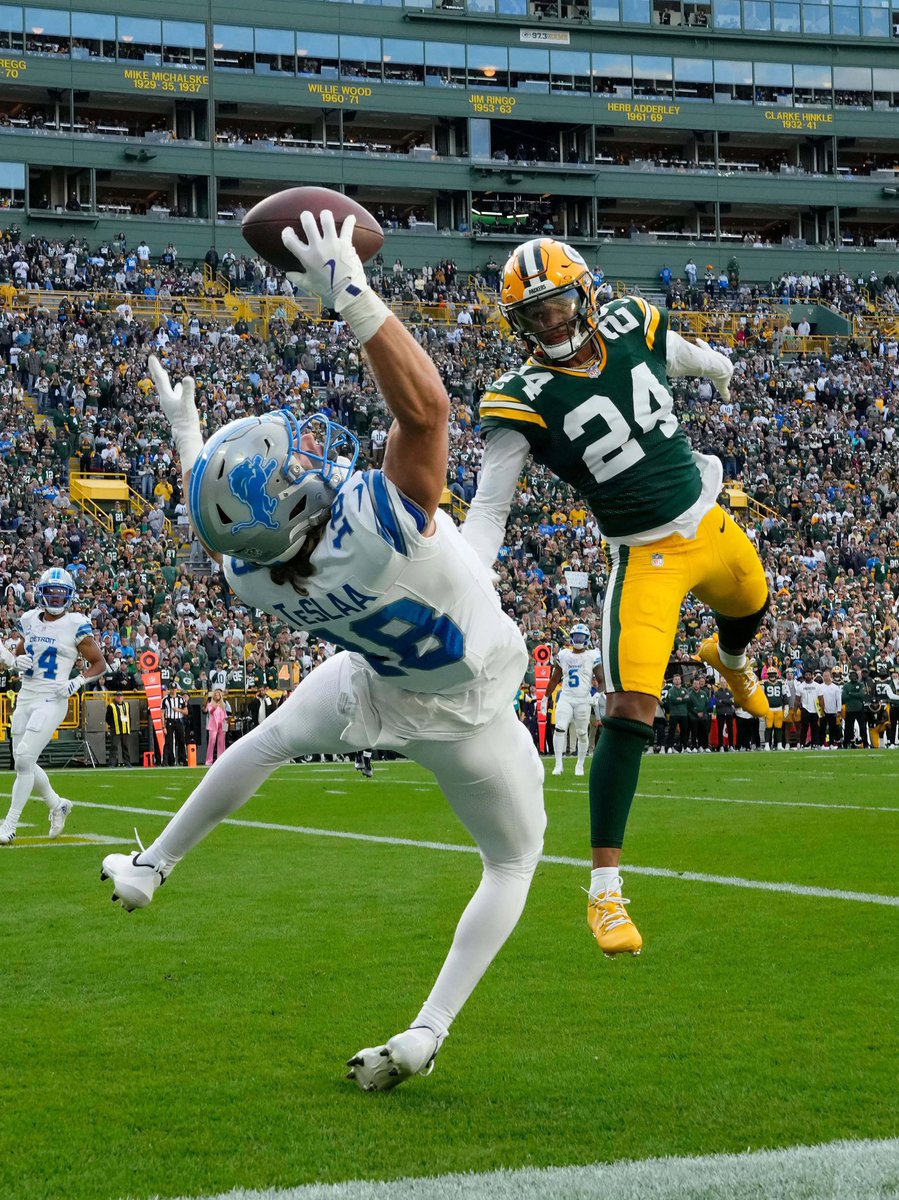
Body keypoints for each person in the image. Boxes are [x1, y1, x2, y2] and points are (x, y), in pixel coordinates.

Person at [100, 209, 546, 1093]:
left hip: (368, 688)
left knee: (264, 741)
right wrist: (349, 291)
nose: (306, 453)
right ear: (299, 503)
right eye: (290, 462)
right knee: (511, 861)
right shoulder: (376, 519)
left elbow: (226, 530)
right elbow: (425, 410)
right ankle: (427, 1027)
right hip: (467, 698)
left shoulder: (257, 578)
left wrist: (189, 442)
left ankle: (151, 868)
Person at [462, 238, 770, 956]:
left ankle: (725, 658)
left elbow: (685, 353)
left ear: (586, 293)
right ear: (518, 323)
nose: (554, 321)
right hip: (646, 556)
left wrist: (720, 367)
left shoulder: (632, 320)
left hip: (712, 518)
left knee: (751, 608)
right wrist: (473, 566)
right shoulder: (520, 398)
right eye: (535, 315)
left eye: (561, 301)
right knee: (630, 705)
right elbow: (490, 506)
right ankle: (604, 894)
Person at [0, 568, 107, 844]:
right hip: (27, 696)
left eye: (61, 596)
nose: (56, 600)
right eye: (51, 594)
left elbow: (99, 664)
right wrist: (15, 661)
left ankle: (9, 825)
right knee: (23, 760)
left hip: (53, 698)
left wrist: (77, 682)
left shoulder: (75, 624)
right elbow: (24, 654)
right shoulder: (30, 620)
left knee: (24, 759)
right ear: (42, 594)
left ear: (69, 598)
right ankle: (57, 804)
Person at [546, 623, 603, 777]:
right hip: (566, 697)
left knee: (582, 733)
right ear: (571, 638)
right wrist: (545, 697)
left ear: (587, 639)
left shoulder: (592, 655)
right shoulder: (564, 655)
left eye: (581, 637)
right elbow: (554, 679)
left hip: (583, 700)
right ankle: (558, 764)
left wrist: (596, 694)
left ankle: (580, 764)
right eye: (576, 636)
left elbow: (602, 680)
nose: (578, 640)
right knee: (560, 727)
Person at [106, 689, 132, 767]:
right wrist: (113, 726)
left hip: (125, 729)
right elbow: (107, 718)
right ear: (115, 697)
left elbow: (129, 716)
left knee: (125, 746)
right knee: (114, 746)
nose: (119, 698)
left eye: (121, 696)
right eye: (118, 696)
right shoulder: (111, 706)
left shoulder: (127, 705)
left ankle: (127, 762)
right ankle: (112, 763)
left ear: (123, 697)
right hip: (115, 729)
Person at [205, 688, 229, 764]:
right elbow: (210, 711)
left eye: (218, 695)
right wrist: (215, 706)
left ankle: (220, 759)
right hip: (213, 725)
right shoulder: (210, 704)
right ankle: (209, 760)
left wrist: (226, 722)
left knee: (221, 742)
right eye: (216, 695)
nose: (217, 696)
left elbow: (225, 715)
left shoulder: (223, 705)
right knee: (212, 742)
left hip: (222, 724)